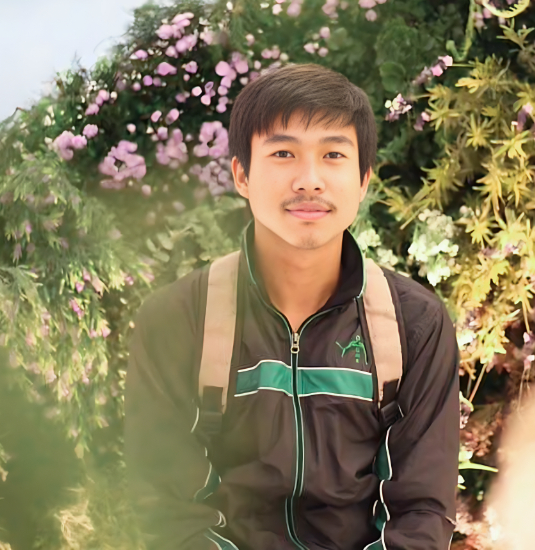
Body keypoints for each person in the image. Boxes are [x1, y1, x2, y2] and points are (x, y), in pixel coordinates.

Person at [125, 63, 460, 550]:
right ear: (242, 175)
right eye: (283, 153)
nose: (309, 180)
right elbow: (166, 511)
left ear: (363, 180)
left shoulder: (415, 324)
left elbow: (421, 511)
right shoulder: (177, 321)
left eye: (333, 154)